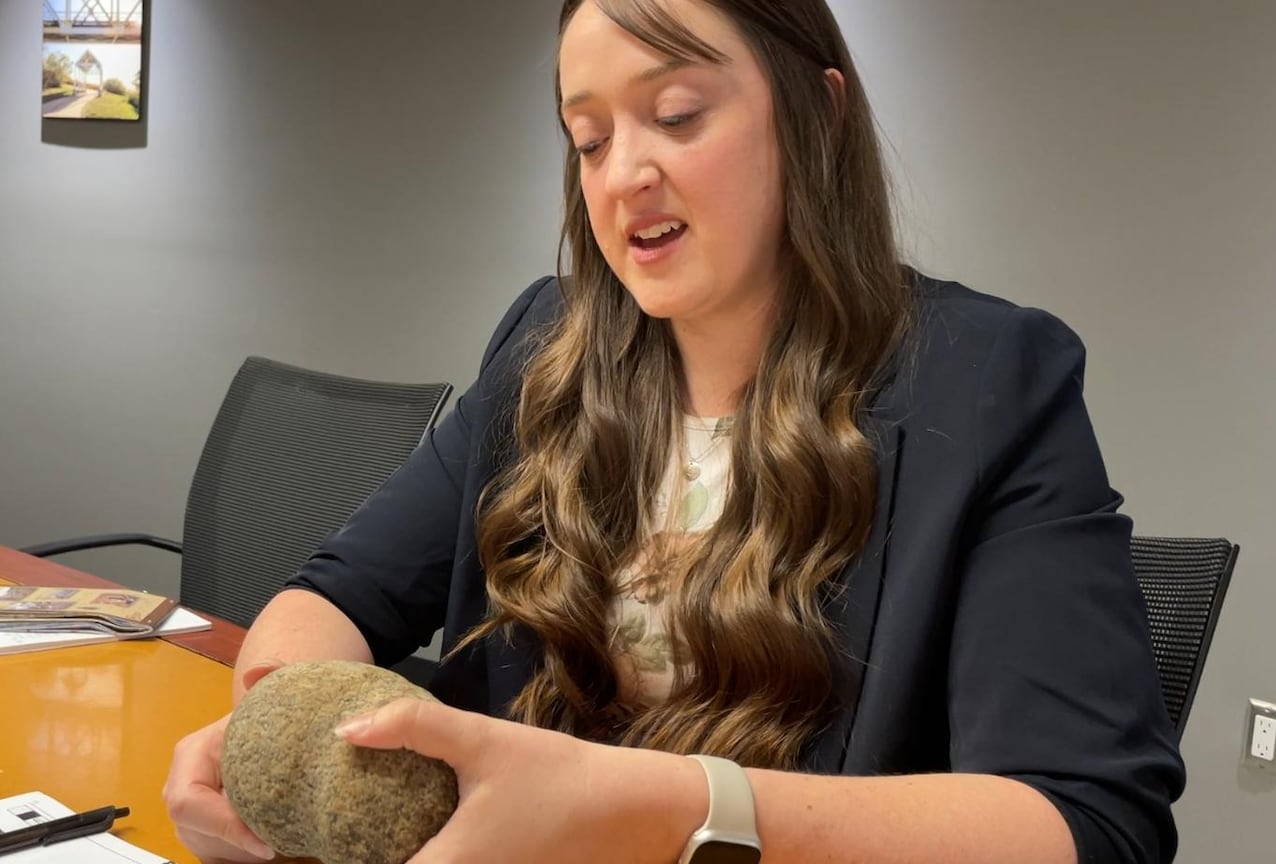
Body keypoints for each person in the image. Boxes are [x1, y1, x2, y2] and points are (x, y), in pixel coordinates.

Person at [164, 1, 1185, 862]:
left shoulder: (986, 380)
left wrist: (650, 802)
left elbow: (1088, 819)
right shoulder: (545, 349)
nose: (622, 177)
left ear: (819, 114)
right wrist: (274, 733)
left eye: (677, 115)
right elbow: (338, 592)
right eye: (588, 139)